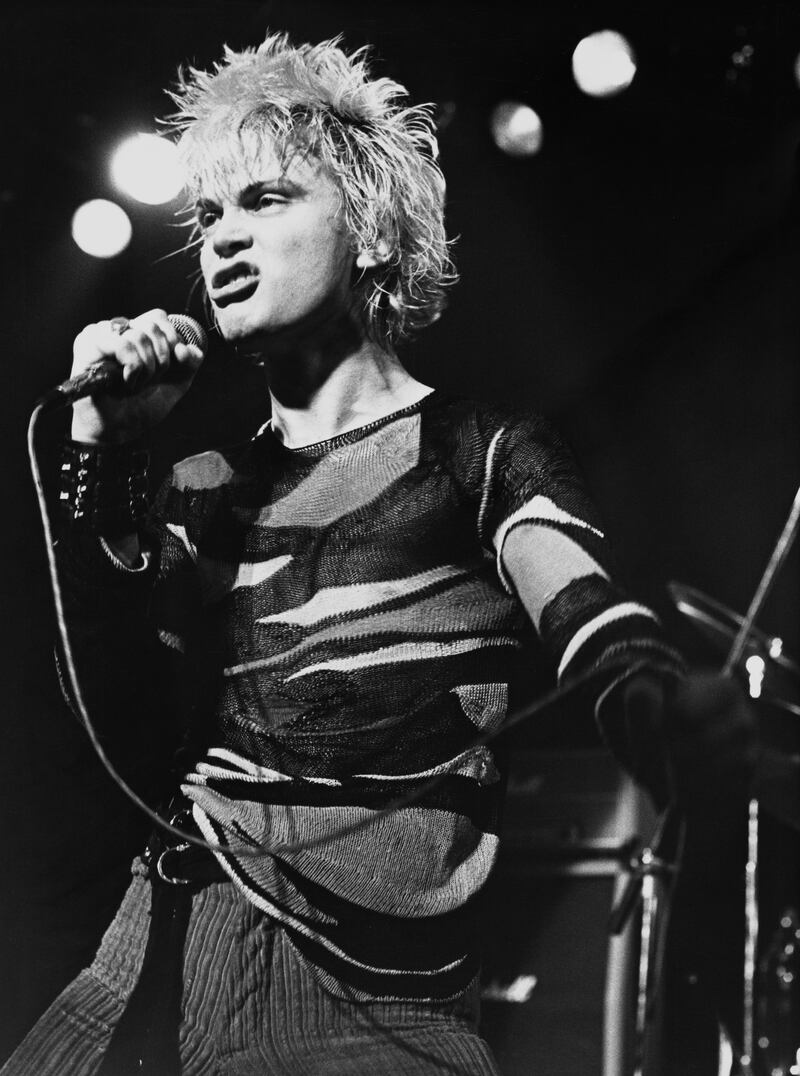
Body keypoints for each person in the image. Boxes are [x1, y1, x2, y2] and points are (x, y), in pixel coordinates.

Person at [4, 30, 758, 1076]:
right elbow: (114, 729)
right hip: (144, 960)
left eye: (265, 200)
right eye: (209, 212)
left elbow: (594, 626)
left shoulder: (479, 453)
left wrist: (663, 714)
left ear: (366, 232)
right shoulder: (204, 484)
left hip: (362, 1009)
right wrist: (106, 455)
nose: (221, 237)